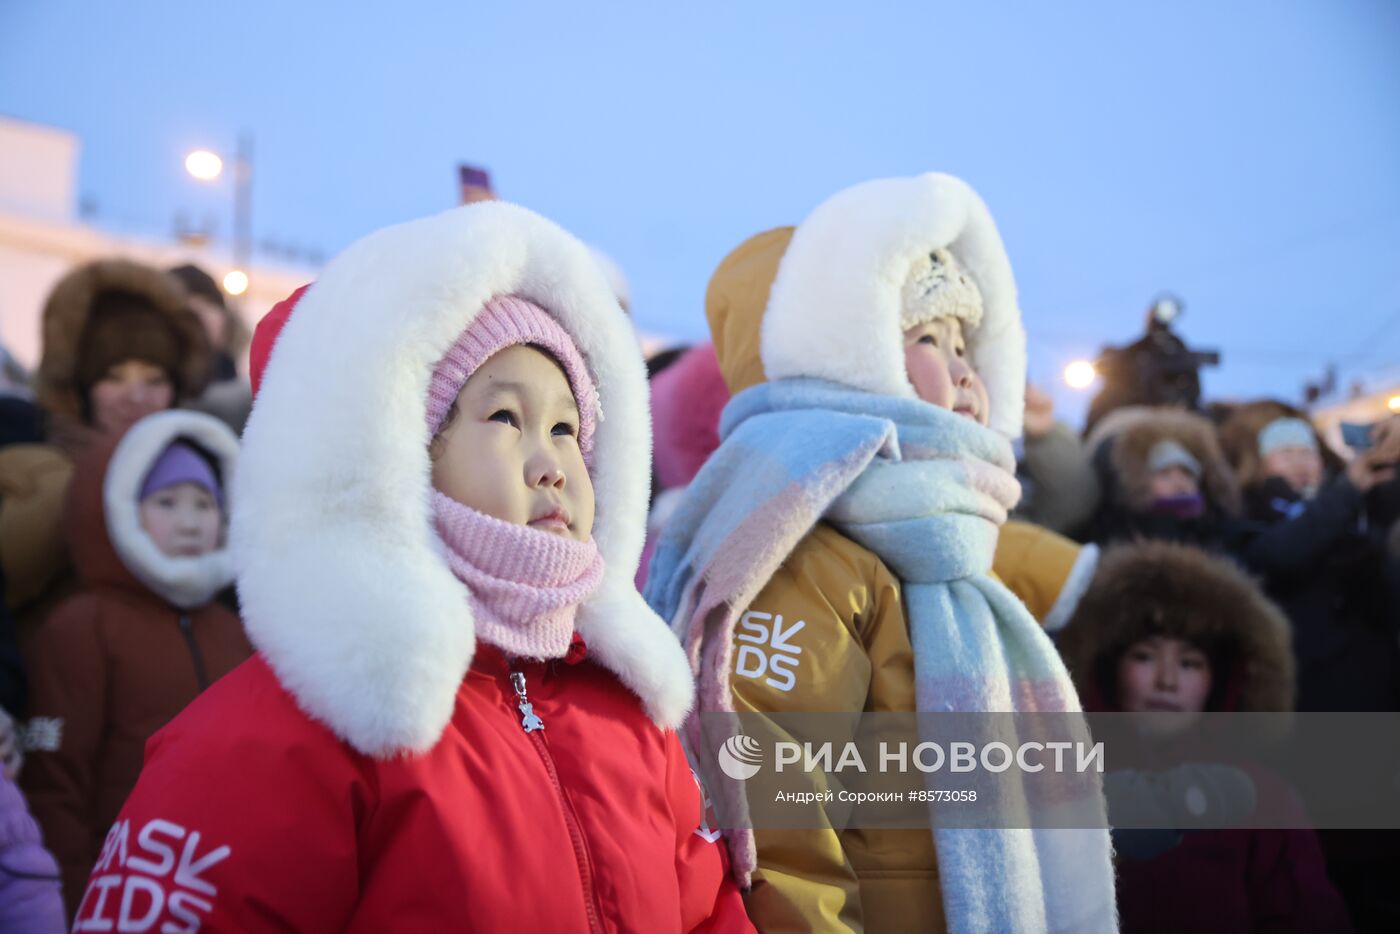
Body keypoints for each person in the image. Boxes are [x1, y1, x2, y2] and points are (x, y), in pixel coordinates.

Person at [73, 202, 752, 932]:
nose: (552, 463)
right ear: (397, 454)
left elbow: (708, 911)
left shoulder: (626, 712)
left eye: (566, 428)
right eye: (505, 419)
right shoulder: (297, 727)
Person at [646, 174, 1116, 933]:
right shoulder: (805, 547)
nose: (964, 369)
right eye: (927, 340)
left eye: (966, 343)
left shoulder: (945, 542)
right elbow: (779, 820)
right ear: (854, 359)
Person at [1057, 539, 1352, 933]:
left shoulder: (1262, 798)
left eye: (1190, 663)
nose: (1167, 680)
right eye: (1144, 656)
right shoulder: (1059, 783)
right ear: (1107, 668)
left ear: (1223, 681)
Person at [21, 410, 248, 918]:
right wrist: (77, 903)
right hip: (115, 896)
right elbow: (54, 785)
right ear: (118, 509)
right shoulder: (82, 627)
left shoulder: (238, 630)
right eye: (166, 502)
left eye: (205, 503)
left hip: (224, 892)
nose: (190, 521)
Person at [0, 260, 209, 639]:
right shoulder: (26, 466)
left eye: (155, 378)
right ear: (78, 387)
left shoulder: (204, 475)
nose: (137, 397)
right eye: (113, 377)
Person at [1079, 406, 1240, 550]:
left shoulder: (1223, 536)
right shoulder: (1119, 538)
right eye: (1165, 473)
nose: (1179, 481)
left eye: (1187, 472)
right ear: (1140, 482)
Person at [169, 264, 254, 434]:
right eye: (186, 303)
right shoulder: (146, 398)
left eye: (208, 302)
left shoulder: (249, 405)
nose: (200, 313)